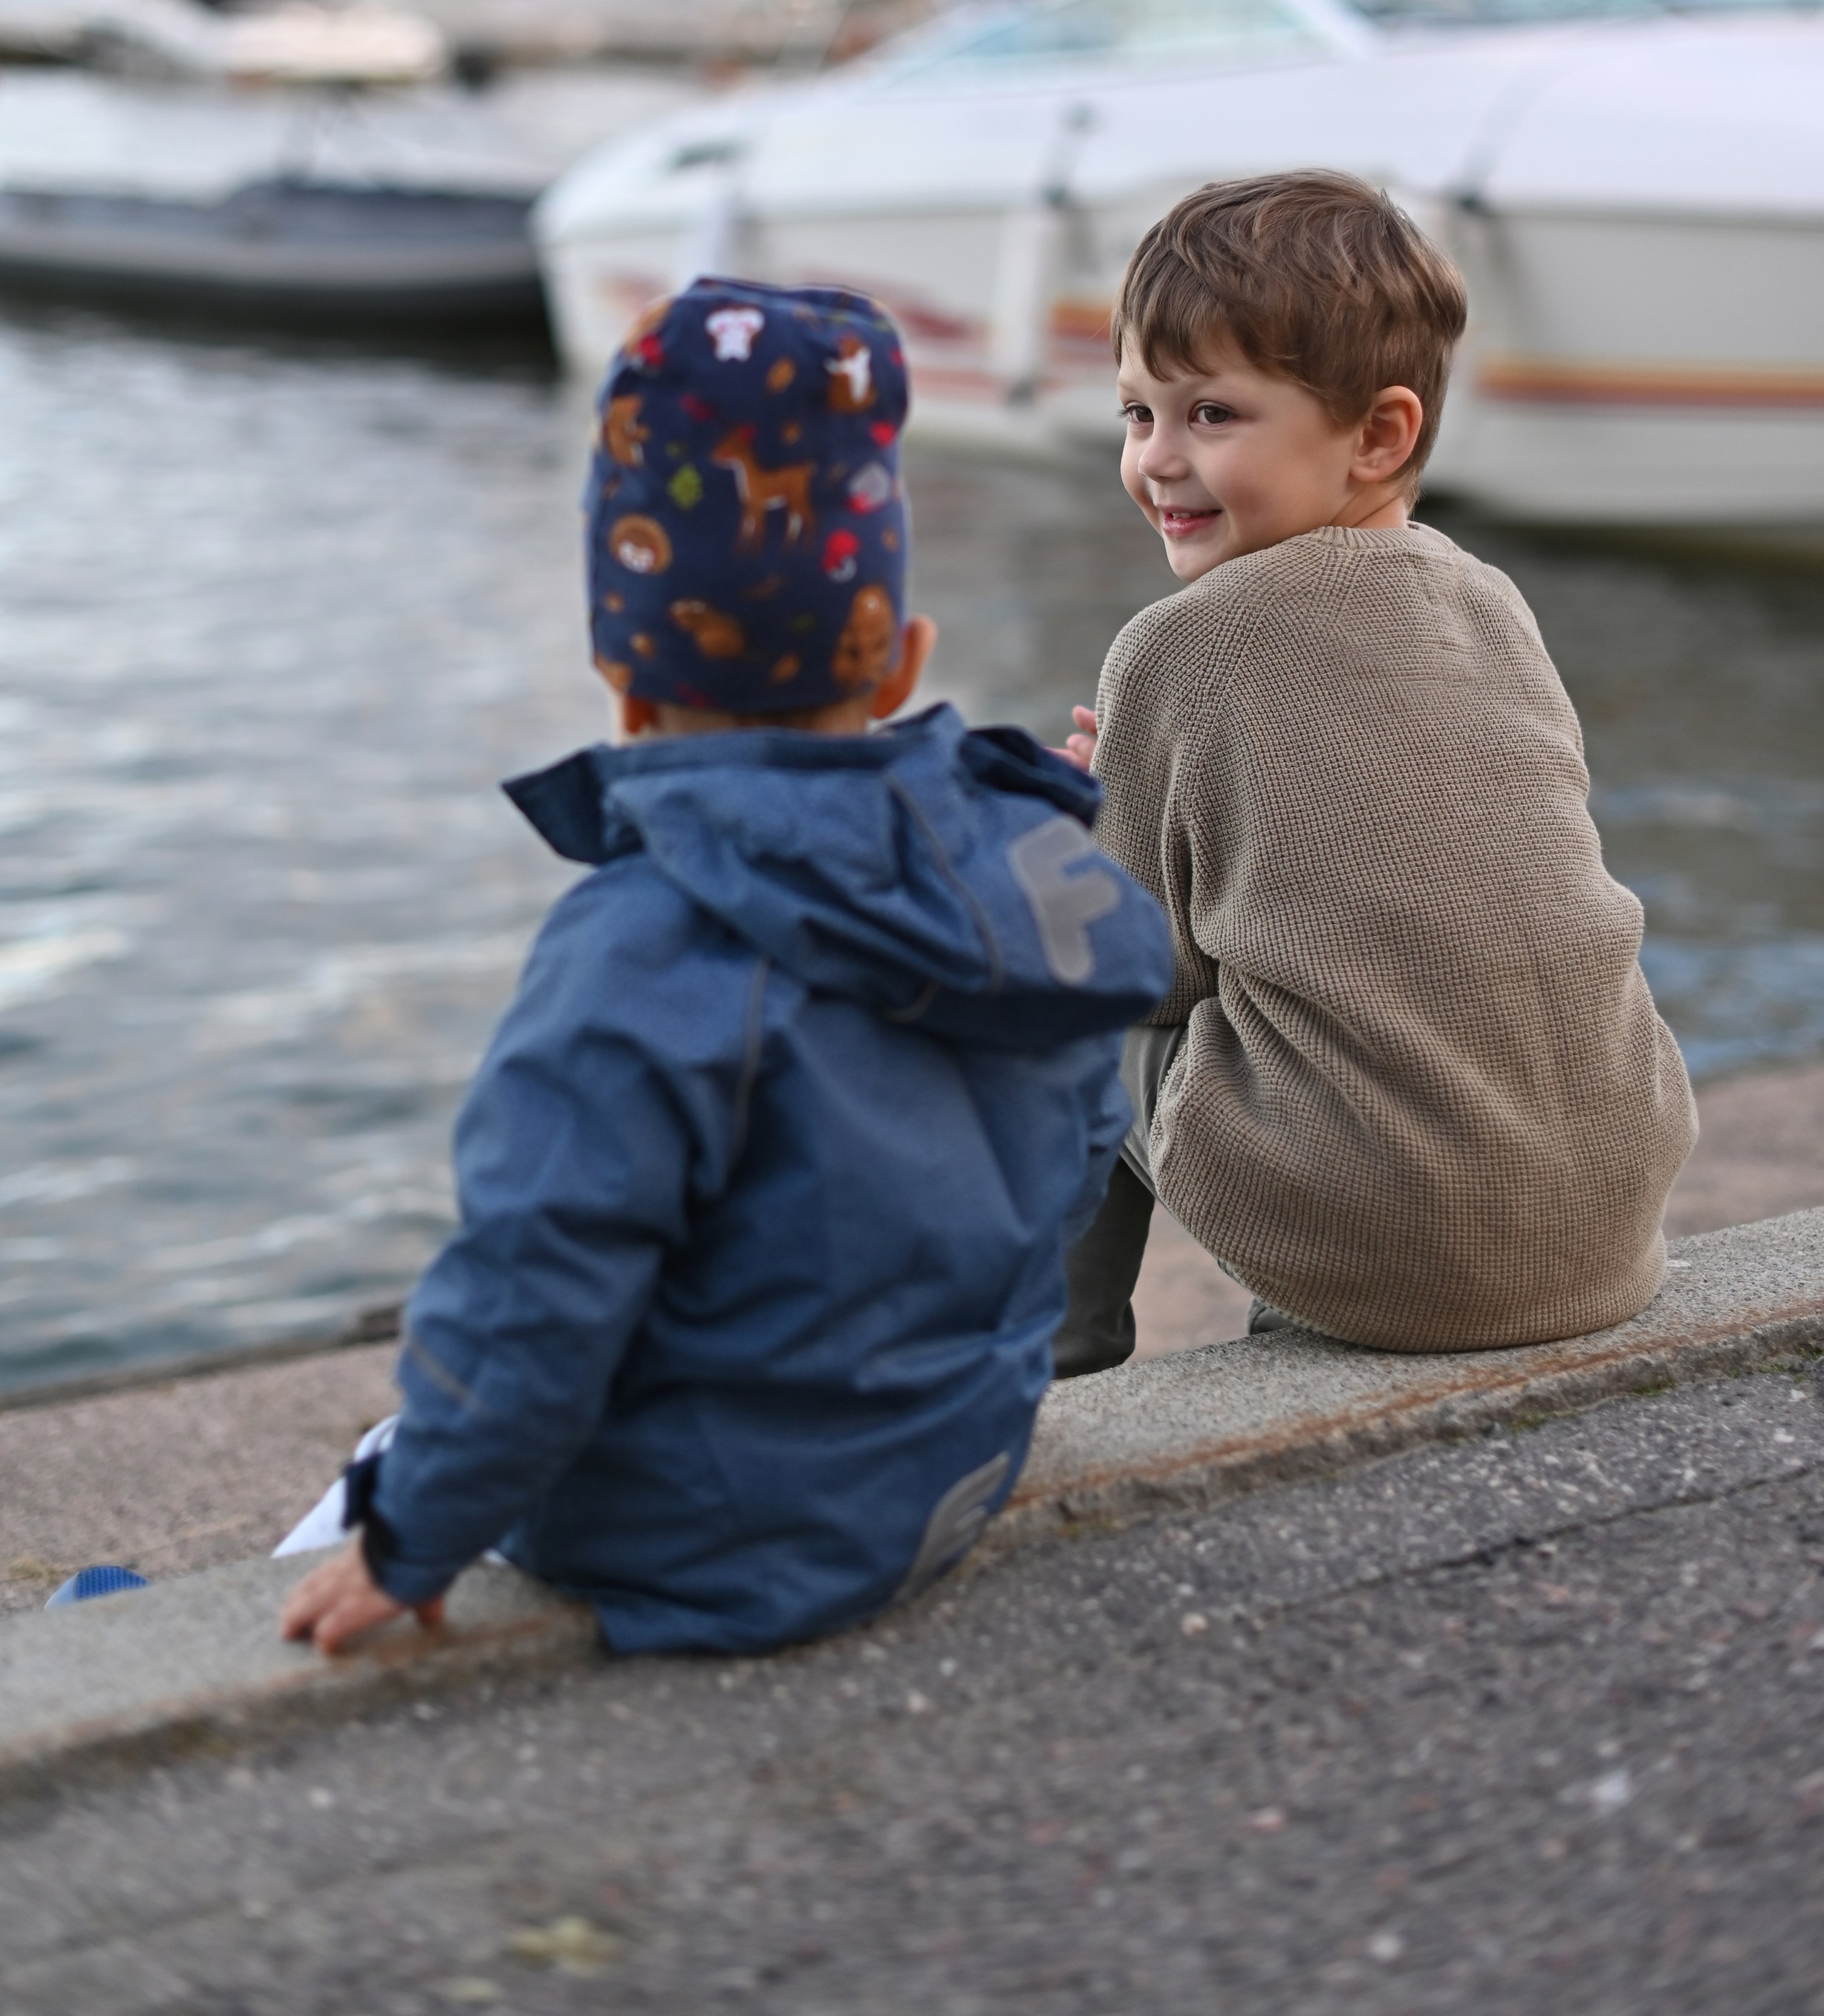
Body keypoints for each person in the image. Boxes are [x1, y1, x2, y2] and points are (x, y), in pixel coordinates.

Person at [280, 277, 1171, 1658]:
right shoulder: (1031, 881)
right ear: (901, 661)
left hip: (704, 1542)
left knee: (382, 1468)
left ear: (621, 686)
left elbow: (533, 1283)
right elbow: (1071, 1164)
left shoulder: (636, 945)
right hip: (945, 1479)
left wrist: (414, 1534)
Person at [1054, 172, 1695, 1374]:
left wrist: (1071, 836)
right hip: (1610, 1219)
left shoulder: (1177, 645)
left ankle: (1056, 1364)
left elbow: (1132, 968)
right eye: (1139, 414)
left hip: (1408, 1247)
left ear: (1379, 435)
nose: (1157, 463)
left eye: (1213, 416)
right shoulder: (1490, 602)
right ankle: (1319, 1279)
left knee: (1057, 1023)